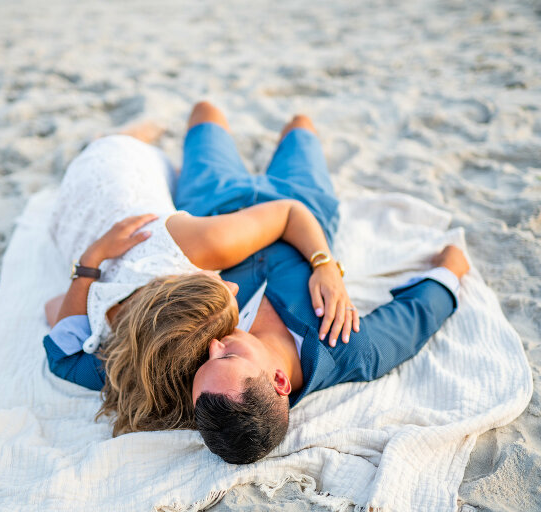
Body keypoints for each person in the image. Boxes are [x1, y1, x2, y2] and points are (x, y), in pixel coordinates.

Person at [178, 102, 469, 464]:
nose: (215, 345)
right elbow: (417, 315)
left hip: (210, 203)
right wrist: (452, 266)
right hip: (302, 200)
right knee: (300, 125)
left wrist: (326, 266)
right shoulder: (345, 347)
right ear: (280, 381)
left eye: (210, 359)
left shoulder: (210, 366)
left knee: (205, 112)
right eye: (230, 355)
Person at [43, 111, 355, 437]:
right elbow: (55, 319)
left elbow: (58, 343)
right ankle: (117, 141)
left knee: (178, 134)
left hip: (112, 170)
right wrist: (88, 271)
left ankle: (117, 140)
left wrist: (93, 256)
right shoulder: (121, 348)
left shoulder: (182, 247)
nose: (234, 285)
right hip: (90, 199)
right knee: (284, 126)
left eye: (220, 283)